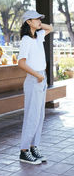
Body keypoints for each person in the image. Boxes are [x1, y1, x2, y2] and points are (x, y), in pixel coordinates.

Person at [18, 10, 53, 165]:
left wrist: (37, 24)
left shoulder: (38, 37)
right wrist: (38, 76)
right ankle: (24, 151)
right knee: (32, 116)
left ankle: (34, 147)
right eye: (36, 19)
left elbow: (50, 28)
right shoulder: (26, 40)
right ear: (28, 22)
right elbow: (21, 63)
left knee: (39, 116)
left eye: (40, 18)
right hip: (34, 79)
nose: (40, 21)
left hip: (41, 78)